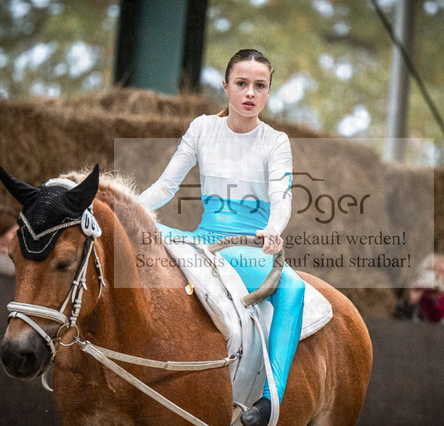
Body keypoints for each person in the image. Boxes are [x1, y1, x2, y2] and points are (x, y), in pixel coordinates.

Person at [139, 49, 304, 426]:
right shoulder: (201, 128)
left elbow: (282, 197)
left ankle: (271, 399)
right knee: (137, 233)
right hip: (204, 241)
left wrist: (273, 229)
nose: (250, 93)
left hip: (247, 248)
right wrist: (129, 207)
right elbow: (166, 186)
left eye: (260, 86)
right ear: (226, 86)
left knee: (293, 287)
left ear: (268, 92)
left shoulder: (276, 141)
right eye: (242, 84)